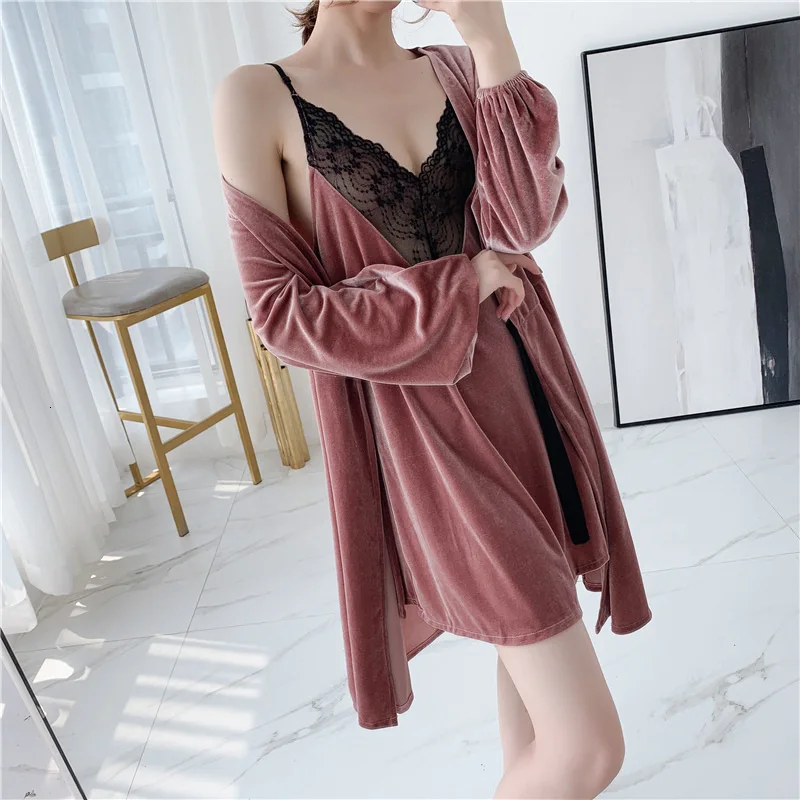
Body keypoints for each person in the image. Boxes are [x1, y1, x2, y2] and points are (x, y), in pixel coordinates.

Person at [213, 2, 652, 797]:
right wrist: (457, 284)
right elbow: (281, 316)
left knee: (535, 655)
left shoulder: (456, 64)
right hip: (424, 438)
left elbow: (523, 222)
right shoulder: (257, 96)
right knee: (588, 748)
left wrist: (490, 35)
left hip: (529, 392)